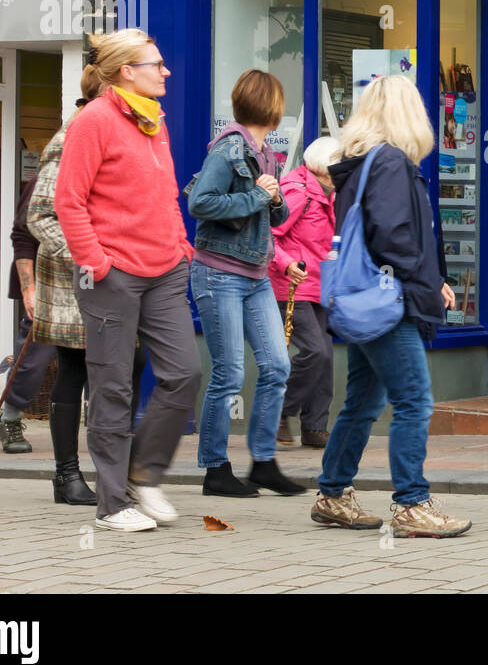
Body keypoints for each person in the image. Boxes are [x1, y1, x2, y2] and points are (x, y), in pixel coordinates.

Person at [309, 74, 471, 537]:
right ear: (408, 114)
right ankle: (411, 504)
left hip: (362, 298)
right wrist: (424, 280)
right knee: (414, 401)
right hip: (388, 302)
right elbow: (394, 235)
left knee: (361, 401)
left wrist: (428, 276)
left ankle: (334, 494)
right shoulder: (392, 162)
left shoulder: (357, 162)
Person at [56, 29, 202, 533]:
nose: (166, 72)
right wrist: (96, 263)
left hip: (165, 269)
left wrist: (181, 243)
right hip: (113, 273)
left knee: (184, 372)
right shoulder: (92, 121)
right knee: (113, 387)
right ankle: (113, 503)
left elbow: (164, 192)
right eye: (156, 64)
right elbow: (68, 201)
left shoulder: (153, 119)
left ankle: (143, 472)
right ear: (126, 72)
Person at [26, 71, 148, 505]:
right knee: (77, 370)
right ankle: (66, 476)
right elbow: (39, 216)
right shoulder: (70, 137)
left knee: (130, 363)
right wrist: (87, 253)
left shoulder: (123, 133)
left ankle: (115, 474)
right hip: (76, 279)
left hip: (113, 277)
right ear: (104, 91)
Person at [187, 69, 303, 498]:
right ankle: (215, 469)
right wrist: (258, 195)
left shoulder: (266, 153)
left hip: (255, 274)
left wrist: (272, 198)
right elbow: (201, 203)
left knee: (277, 365)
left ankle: (264, 463)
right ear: (271, 106)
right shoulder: (229, 148)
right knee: (229, 372)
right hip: (219, 273)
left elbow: (276, 218)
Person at [272, 136, 341, 450]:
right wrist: (287, 264)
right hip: (292, 284)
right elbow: (268, 236)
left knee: (325, 358)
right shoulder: (297, 192)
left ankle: (315, 427)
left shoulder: (328, 194)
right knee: (316, 352)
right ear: (324, 169)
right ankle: (278, 411)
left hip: (318, 285)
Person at [0, 176, 60, 455]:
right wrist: (28, 286)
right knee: (35, 357)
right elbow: (22, 235)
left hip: (88, 279)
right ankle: (10, 419)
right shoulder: (46, 179)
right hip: (46, 278)